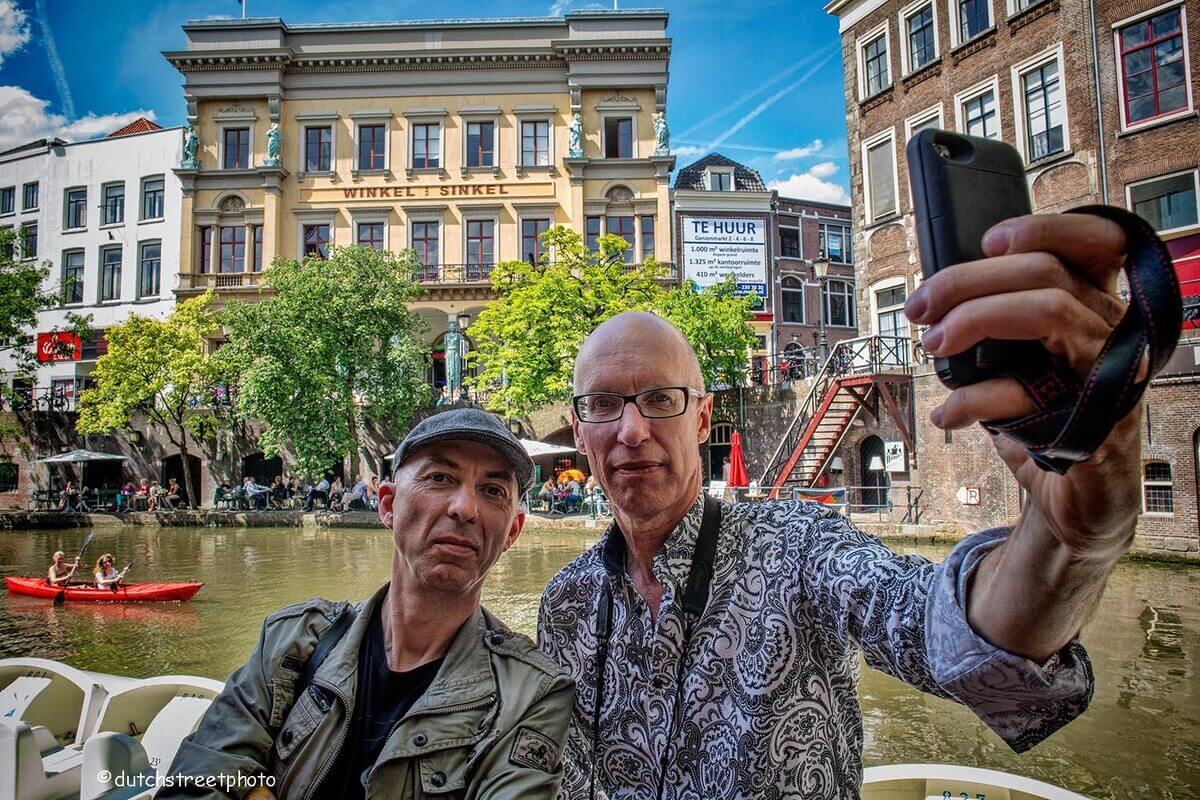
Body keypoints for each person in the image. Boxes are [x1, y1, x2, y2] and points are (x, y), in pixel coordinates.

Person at [541, 211, 1141, 800]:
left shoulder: (800, 548)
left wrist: (1072, 543)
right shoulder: (565, 604)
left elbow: (939, 626)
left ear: (702, 418)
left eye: (658, 398)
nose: (631, 430)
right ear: (578, 428)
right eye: (602, 404)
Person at [164, 408, 574, 800]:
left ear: (512, 532)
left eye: (492, 491)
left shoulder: (531, 695)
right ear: (388, 505)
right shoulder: (290, 640)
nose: (465, 508)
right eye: (439, 477)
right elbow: (195, 780)